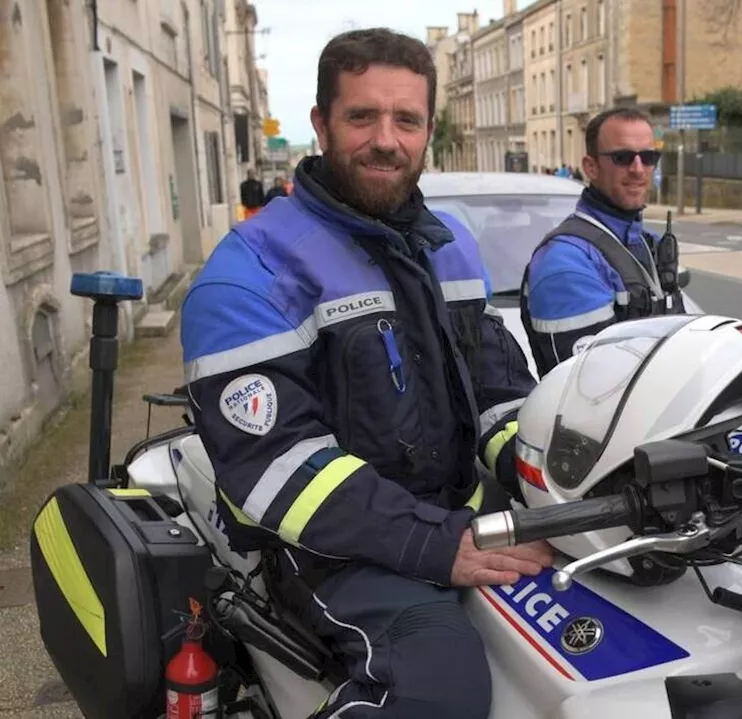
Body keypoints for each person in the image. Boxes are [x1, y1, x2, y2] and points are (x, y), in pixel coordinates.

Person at [179, 28, 550, 718]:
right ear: (320, 124)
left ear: (428, 130)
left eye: (406, 119)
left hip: (453, 518)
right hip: (322, 550)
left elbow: (502, 397)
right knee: (440, 684)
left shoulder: (451, 245)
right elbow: (278, 468)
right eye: (362, 116)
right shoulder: (250, 273)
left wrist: (561, 481)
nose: (386, 139)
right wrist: (438, 544)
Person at [519, 107, 685, 375]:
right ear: (591, 167)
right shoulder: (565, 264)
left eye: (648, 157)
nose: (638, 169)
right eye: (623, 157)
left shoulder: (642, 243)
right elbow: (596, 389)